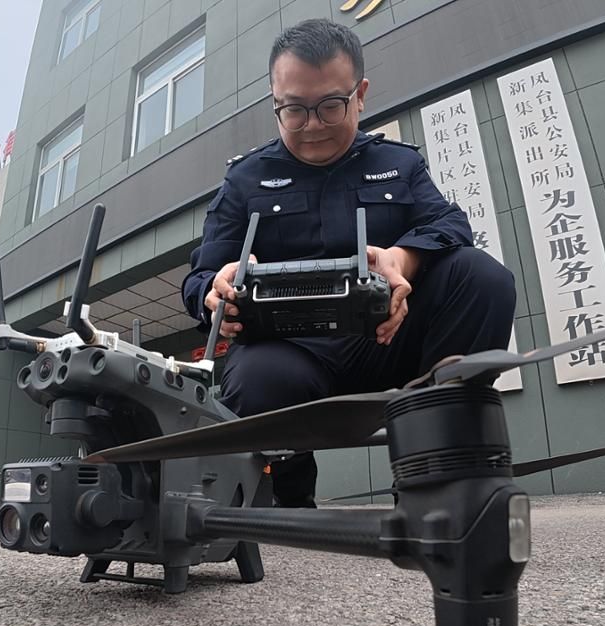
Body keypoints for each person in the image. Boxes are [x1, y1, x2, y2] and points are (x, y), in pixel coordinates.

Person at [181, 18, 516, 508]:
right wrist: (215, 291)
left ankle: (437, 482)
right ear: (274, 102)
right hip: (292, 353)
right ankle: (288, 502)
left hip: (389, 341)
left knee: (483, 278)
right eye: (294, 109)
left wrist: (402, 258)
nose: (313, 125)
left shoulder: (399, 164)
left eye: (330, 106)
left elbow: (450, 225)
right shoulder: (245, 180)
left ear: (360, 95)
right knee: (256, 379)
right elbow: (199, 280)